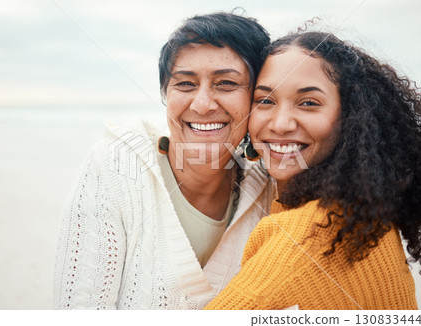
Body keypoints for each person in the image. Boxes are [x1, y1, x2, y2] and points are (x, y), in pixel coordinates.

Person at [54, 12, 275, 309]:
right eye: (185, 84)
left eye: (225, 83)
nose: (202, 104)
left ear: (258, 98)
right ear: (164, 93)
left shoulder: (273, 185)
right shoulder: (115, 166)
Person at [206, 30, 421, 310]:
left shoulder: (313, 231)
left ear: (351, 118)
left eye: (309, 103)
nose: (281, 124)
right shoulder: (360, 213)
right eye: (265, 101)